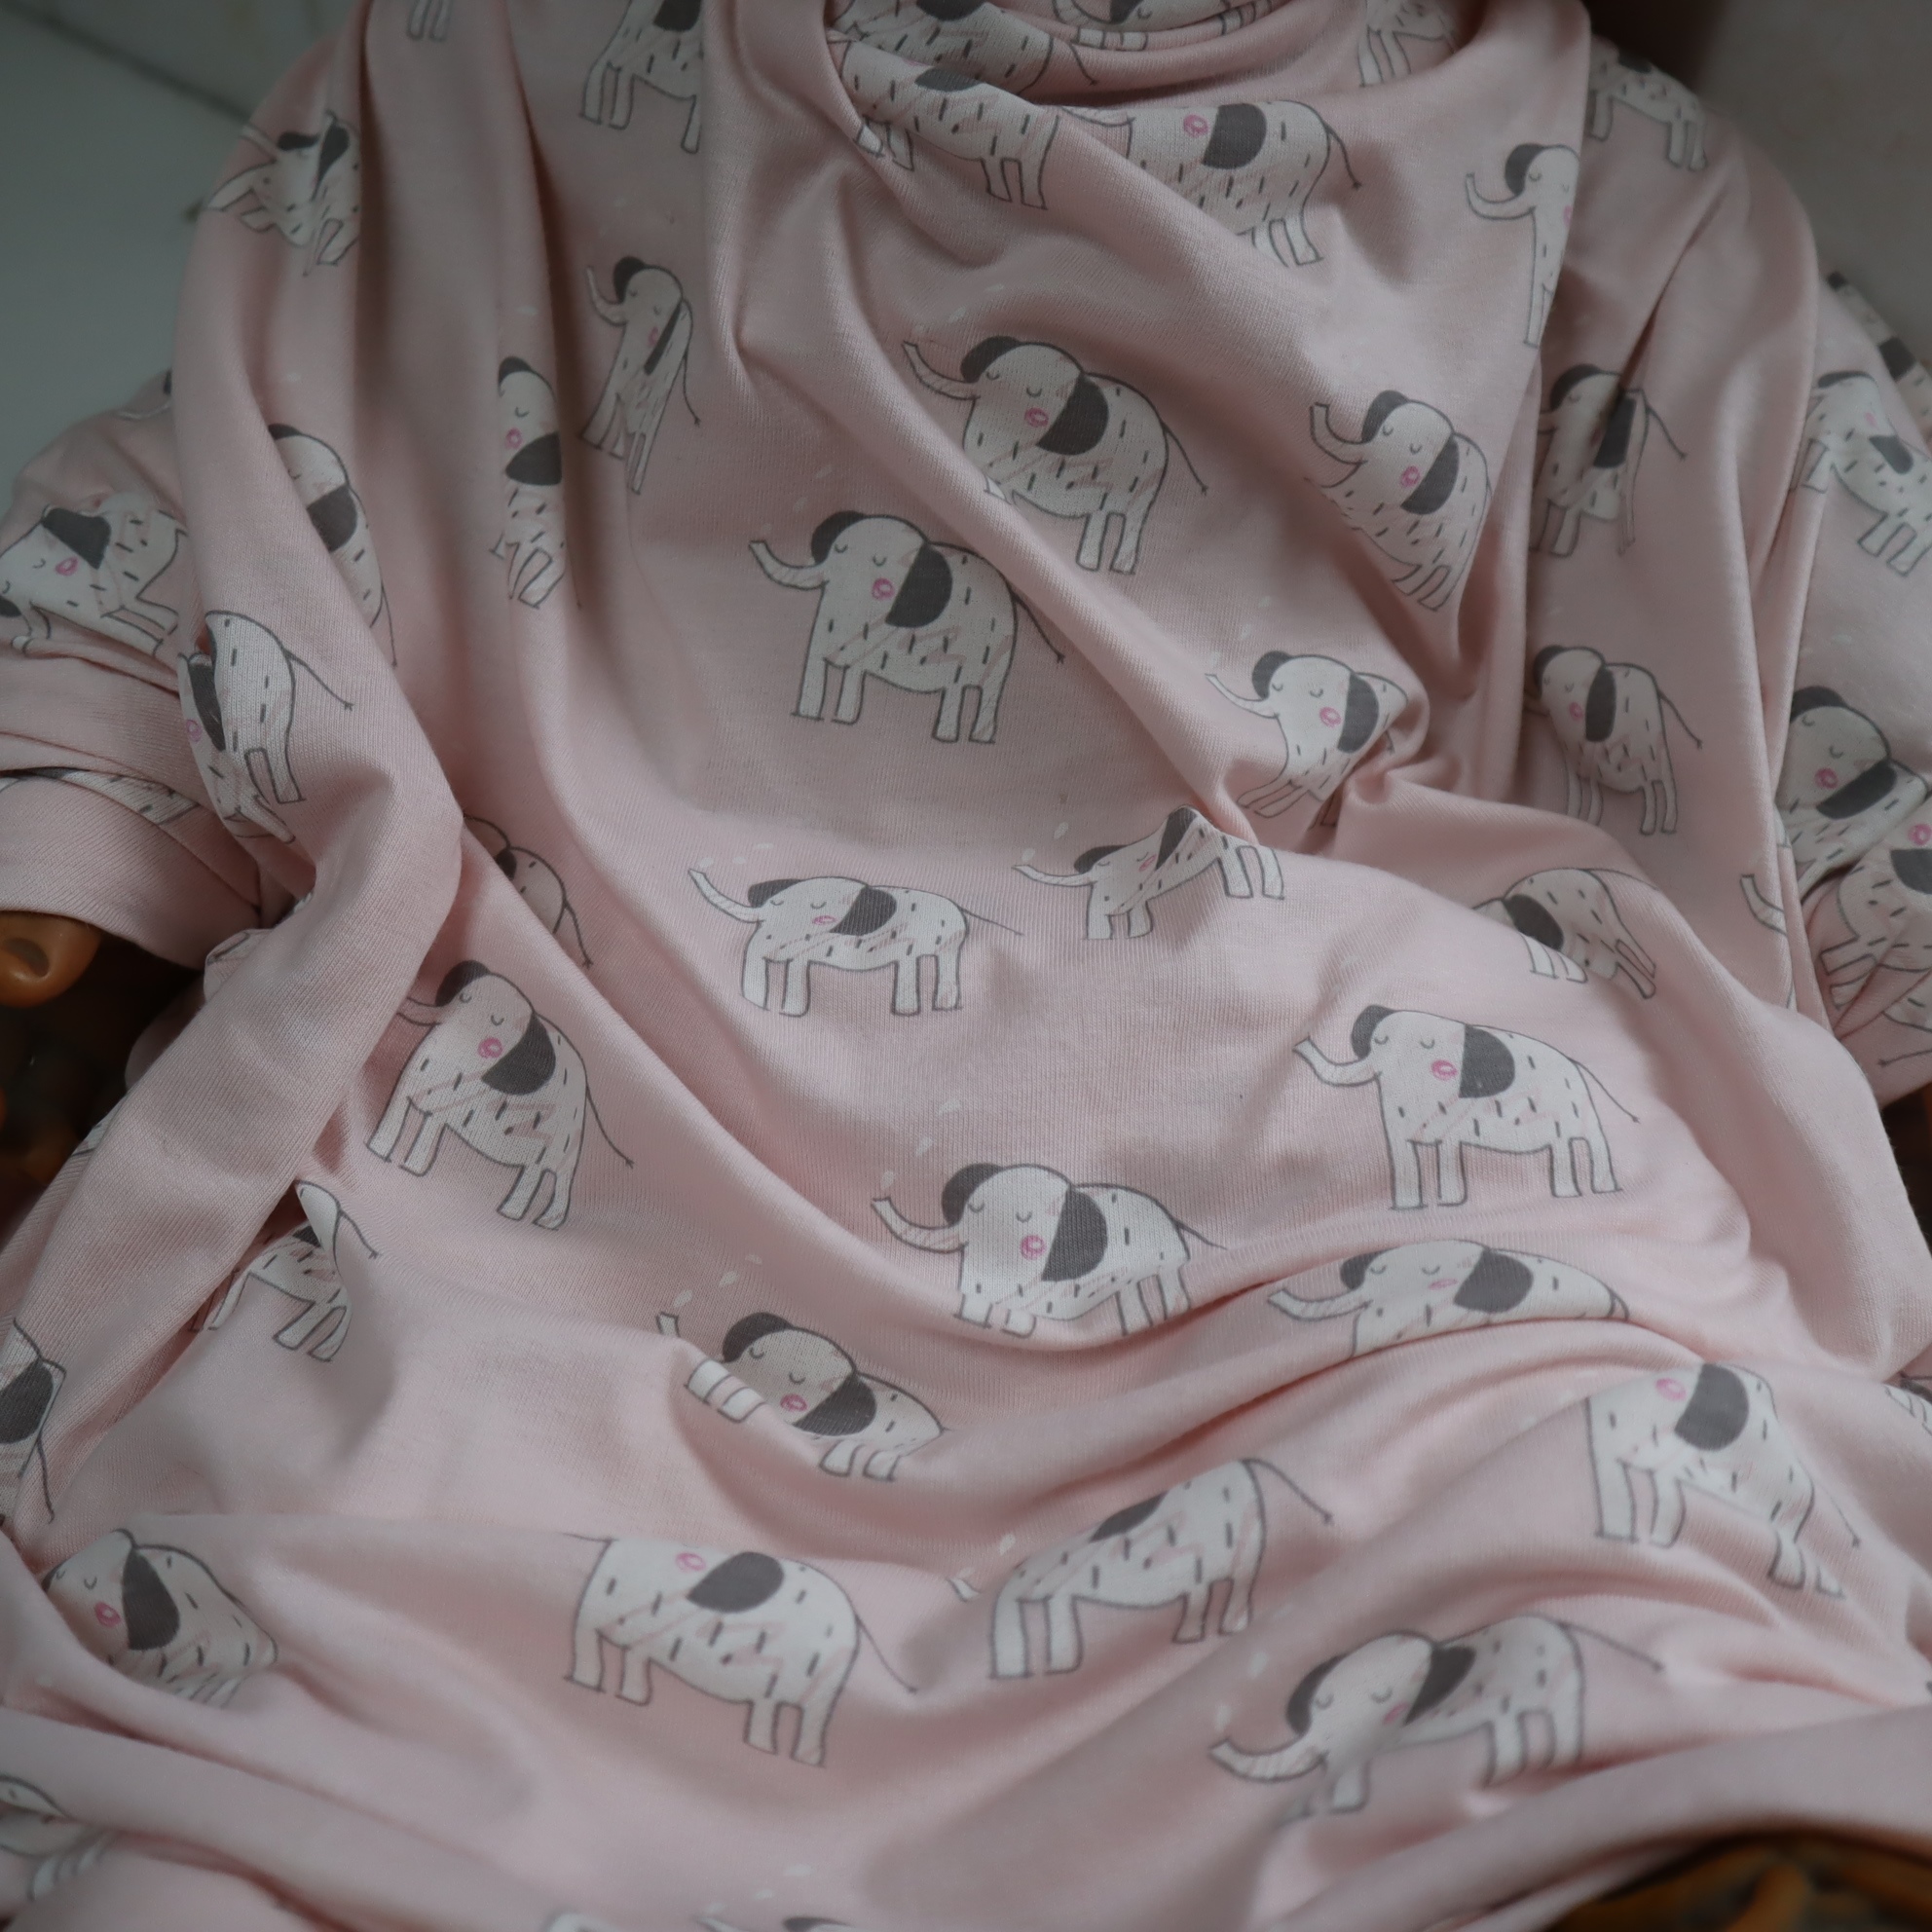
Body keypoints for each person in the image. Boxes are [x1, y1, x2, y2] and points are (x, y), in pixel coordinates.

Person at [1, 2, 1931, 1926]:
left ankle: (1663, 1829)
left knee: (1610, 1490)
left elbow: (1877, 794)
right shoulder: (509, 60)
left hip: (1384, 1181)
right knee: (311, 1535)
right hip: (580, 1124)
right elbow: (208, 528)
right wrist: (59, 904)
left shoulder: (1631, 203)